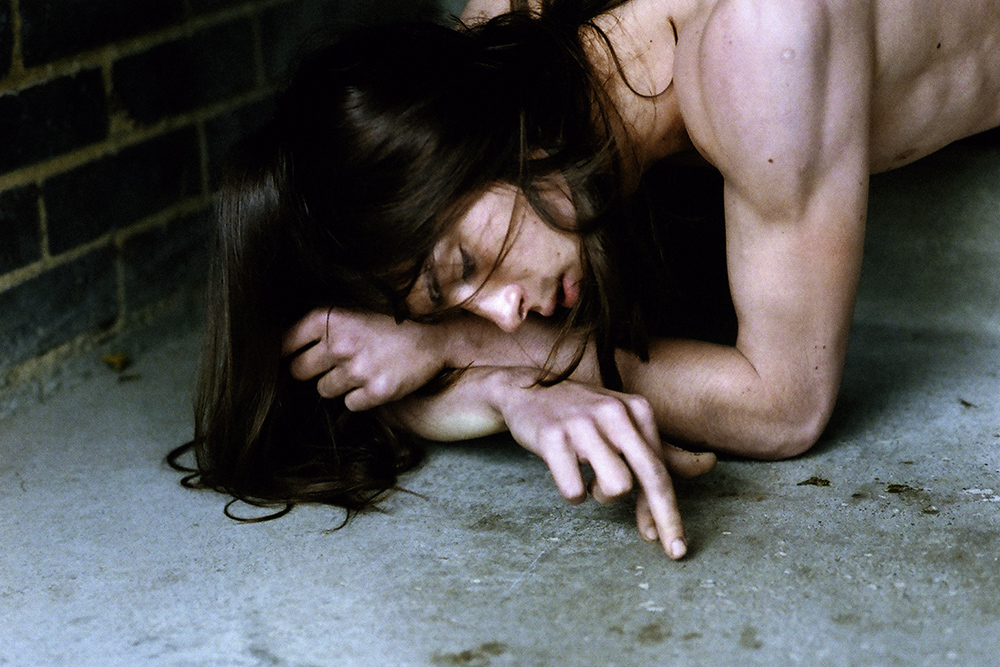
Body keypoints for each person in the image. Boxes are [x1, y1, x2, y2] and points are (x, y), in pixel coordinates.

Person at [172, 0, 1000, 560]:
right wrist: (503, 390)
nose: (505, 314)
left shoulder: (760, 40)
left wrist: (466, 349)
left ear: (497, 138)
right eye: (450, 304)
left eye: (463, 267)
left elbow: (786, 407)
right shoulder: (496, 49)